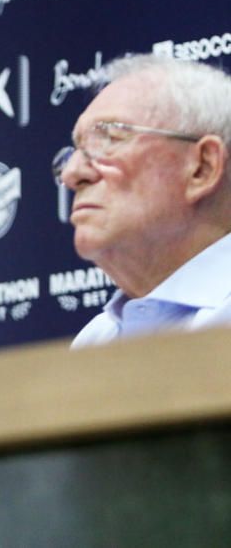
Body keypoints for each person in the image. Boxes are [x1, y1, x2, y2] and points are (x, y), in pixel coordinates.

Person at [53, 54, 231, 347]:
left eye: (109, 138)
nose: (73, 174)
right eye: (75, 151)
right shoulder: (95, 341)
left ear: (202, 167)